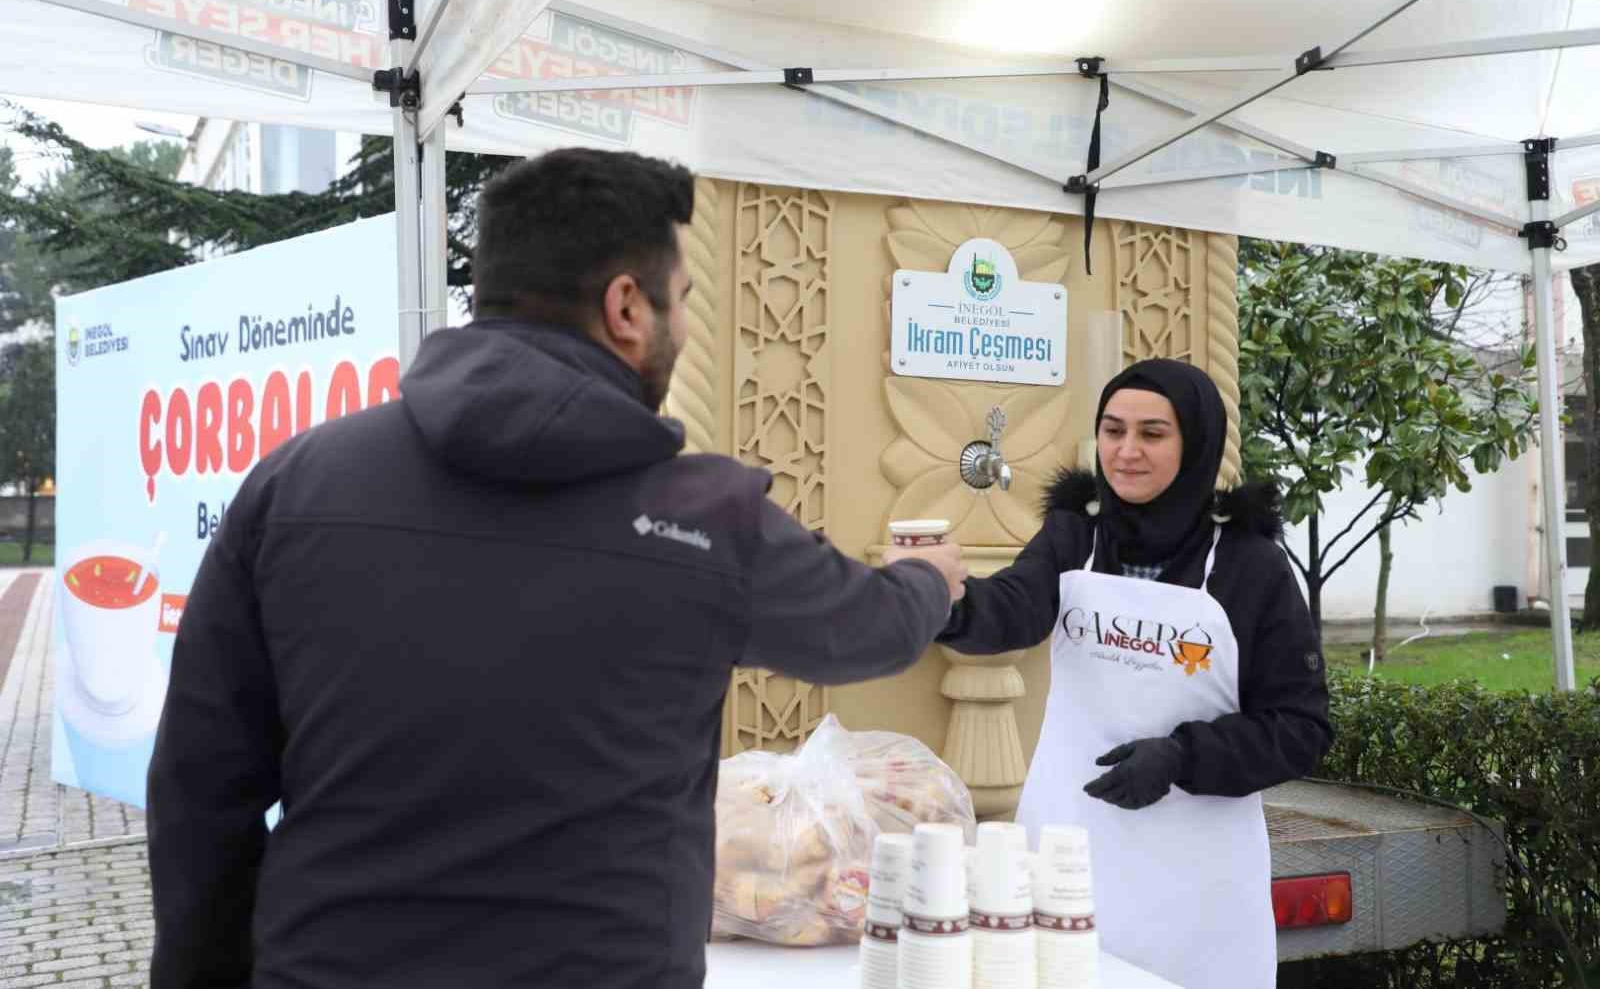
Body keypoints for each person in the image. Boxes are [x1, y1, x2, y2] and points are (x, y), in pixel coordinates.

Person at [146, 147, 968, 989]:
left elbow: (199, 791)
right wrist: (930, 578)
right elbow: (866, 628)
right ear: (626, 307)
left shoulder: (295, 486)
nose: (686, 328)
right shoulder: (708, 519)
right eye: (684, 299)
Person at [921, 358, 1331, 989]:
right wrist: (942, 601)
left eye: (1152, 434)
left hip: (1195, 882)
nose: (1126, 451)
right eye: (1113, 431)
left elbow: (1301, 727)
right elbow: (1013, 608)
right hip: (1067, 850)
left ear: (1195, 445)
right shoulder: (1076, 537)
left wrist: (1183, 756)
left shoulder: (1250, 566)